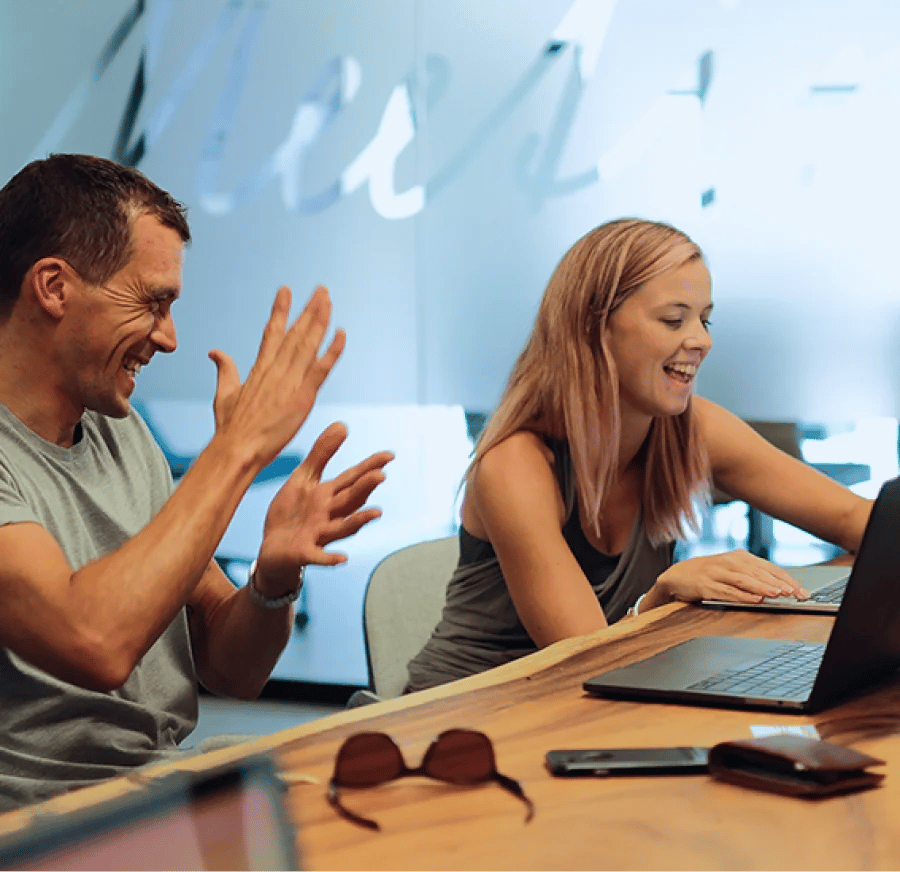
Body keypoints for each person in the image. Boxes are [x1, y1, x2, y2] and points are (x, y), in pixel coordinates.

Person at [0, 153, 393, 811]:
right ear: (54, 287)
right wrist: (235, 453)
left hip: (159, 799)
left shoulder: (120, 432)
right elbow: (94, 642)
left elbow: (229, 666)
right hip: (43, 823)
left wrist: (272, 581)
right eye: (152, 302)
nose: (170, 337)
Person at [406, 217, 873, 692]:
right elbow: (585, 659)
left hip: (592, 709)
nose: (702, 340)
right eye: (674, 319)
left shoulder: (691, 428)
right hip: (467, 719)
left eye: (704, 319)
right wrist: (661, 594)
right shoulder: (516, 465)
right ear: (593, 327)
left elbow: (858, 519)